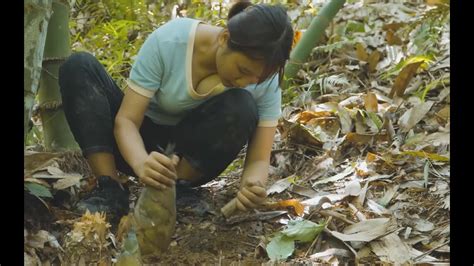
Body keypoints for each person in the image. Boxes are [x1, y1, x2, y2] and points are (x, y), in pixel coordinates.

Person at [58, 1, 294, 222]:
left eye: (257, 78)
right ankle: (109, 189)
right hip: (135, 142)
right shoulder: (171, 41)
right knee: (78, 66)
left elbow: (259, 159)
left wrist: (253, 186)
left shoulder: (260, 81)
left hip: (191, 157)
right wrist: (141, 163)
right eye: (242, 70)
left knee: (242, 105)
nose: (247, 82)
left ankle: (175, 191)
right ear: (224, 38)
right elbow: (127, 121)